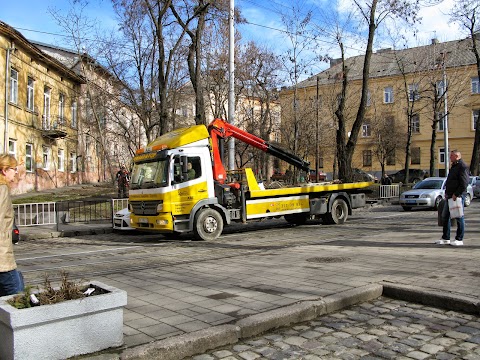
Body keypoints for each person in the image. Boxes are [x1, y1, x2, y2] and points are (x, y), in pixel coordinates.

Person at [0, 154, 24, 296]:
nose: (16, 172)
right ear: (4, 170)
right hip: (2, 257)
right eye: (14, 169)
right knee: (18, 297)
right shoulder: (2, 189)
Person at [436, 150, 469, 246]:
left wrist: (457, 194)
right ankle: (446, 238)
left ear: (457, 156)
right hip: (450, 195)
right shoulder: (454, 166)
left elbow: (464, 183)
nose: (449, 157)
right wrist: (447, 193)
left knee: (459, 217)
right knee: (445, 216)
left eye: (451, 156)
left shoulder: (462, 167)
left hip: (457, 196)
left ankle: (459, 239)